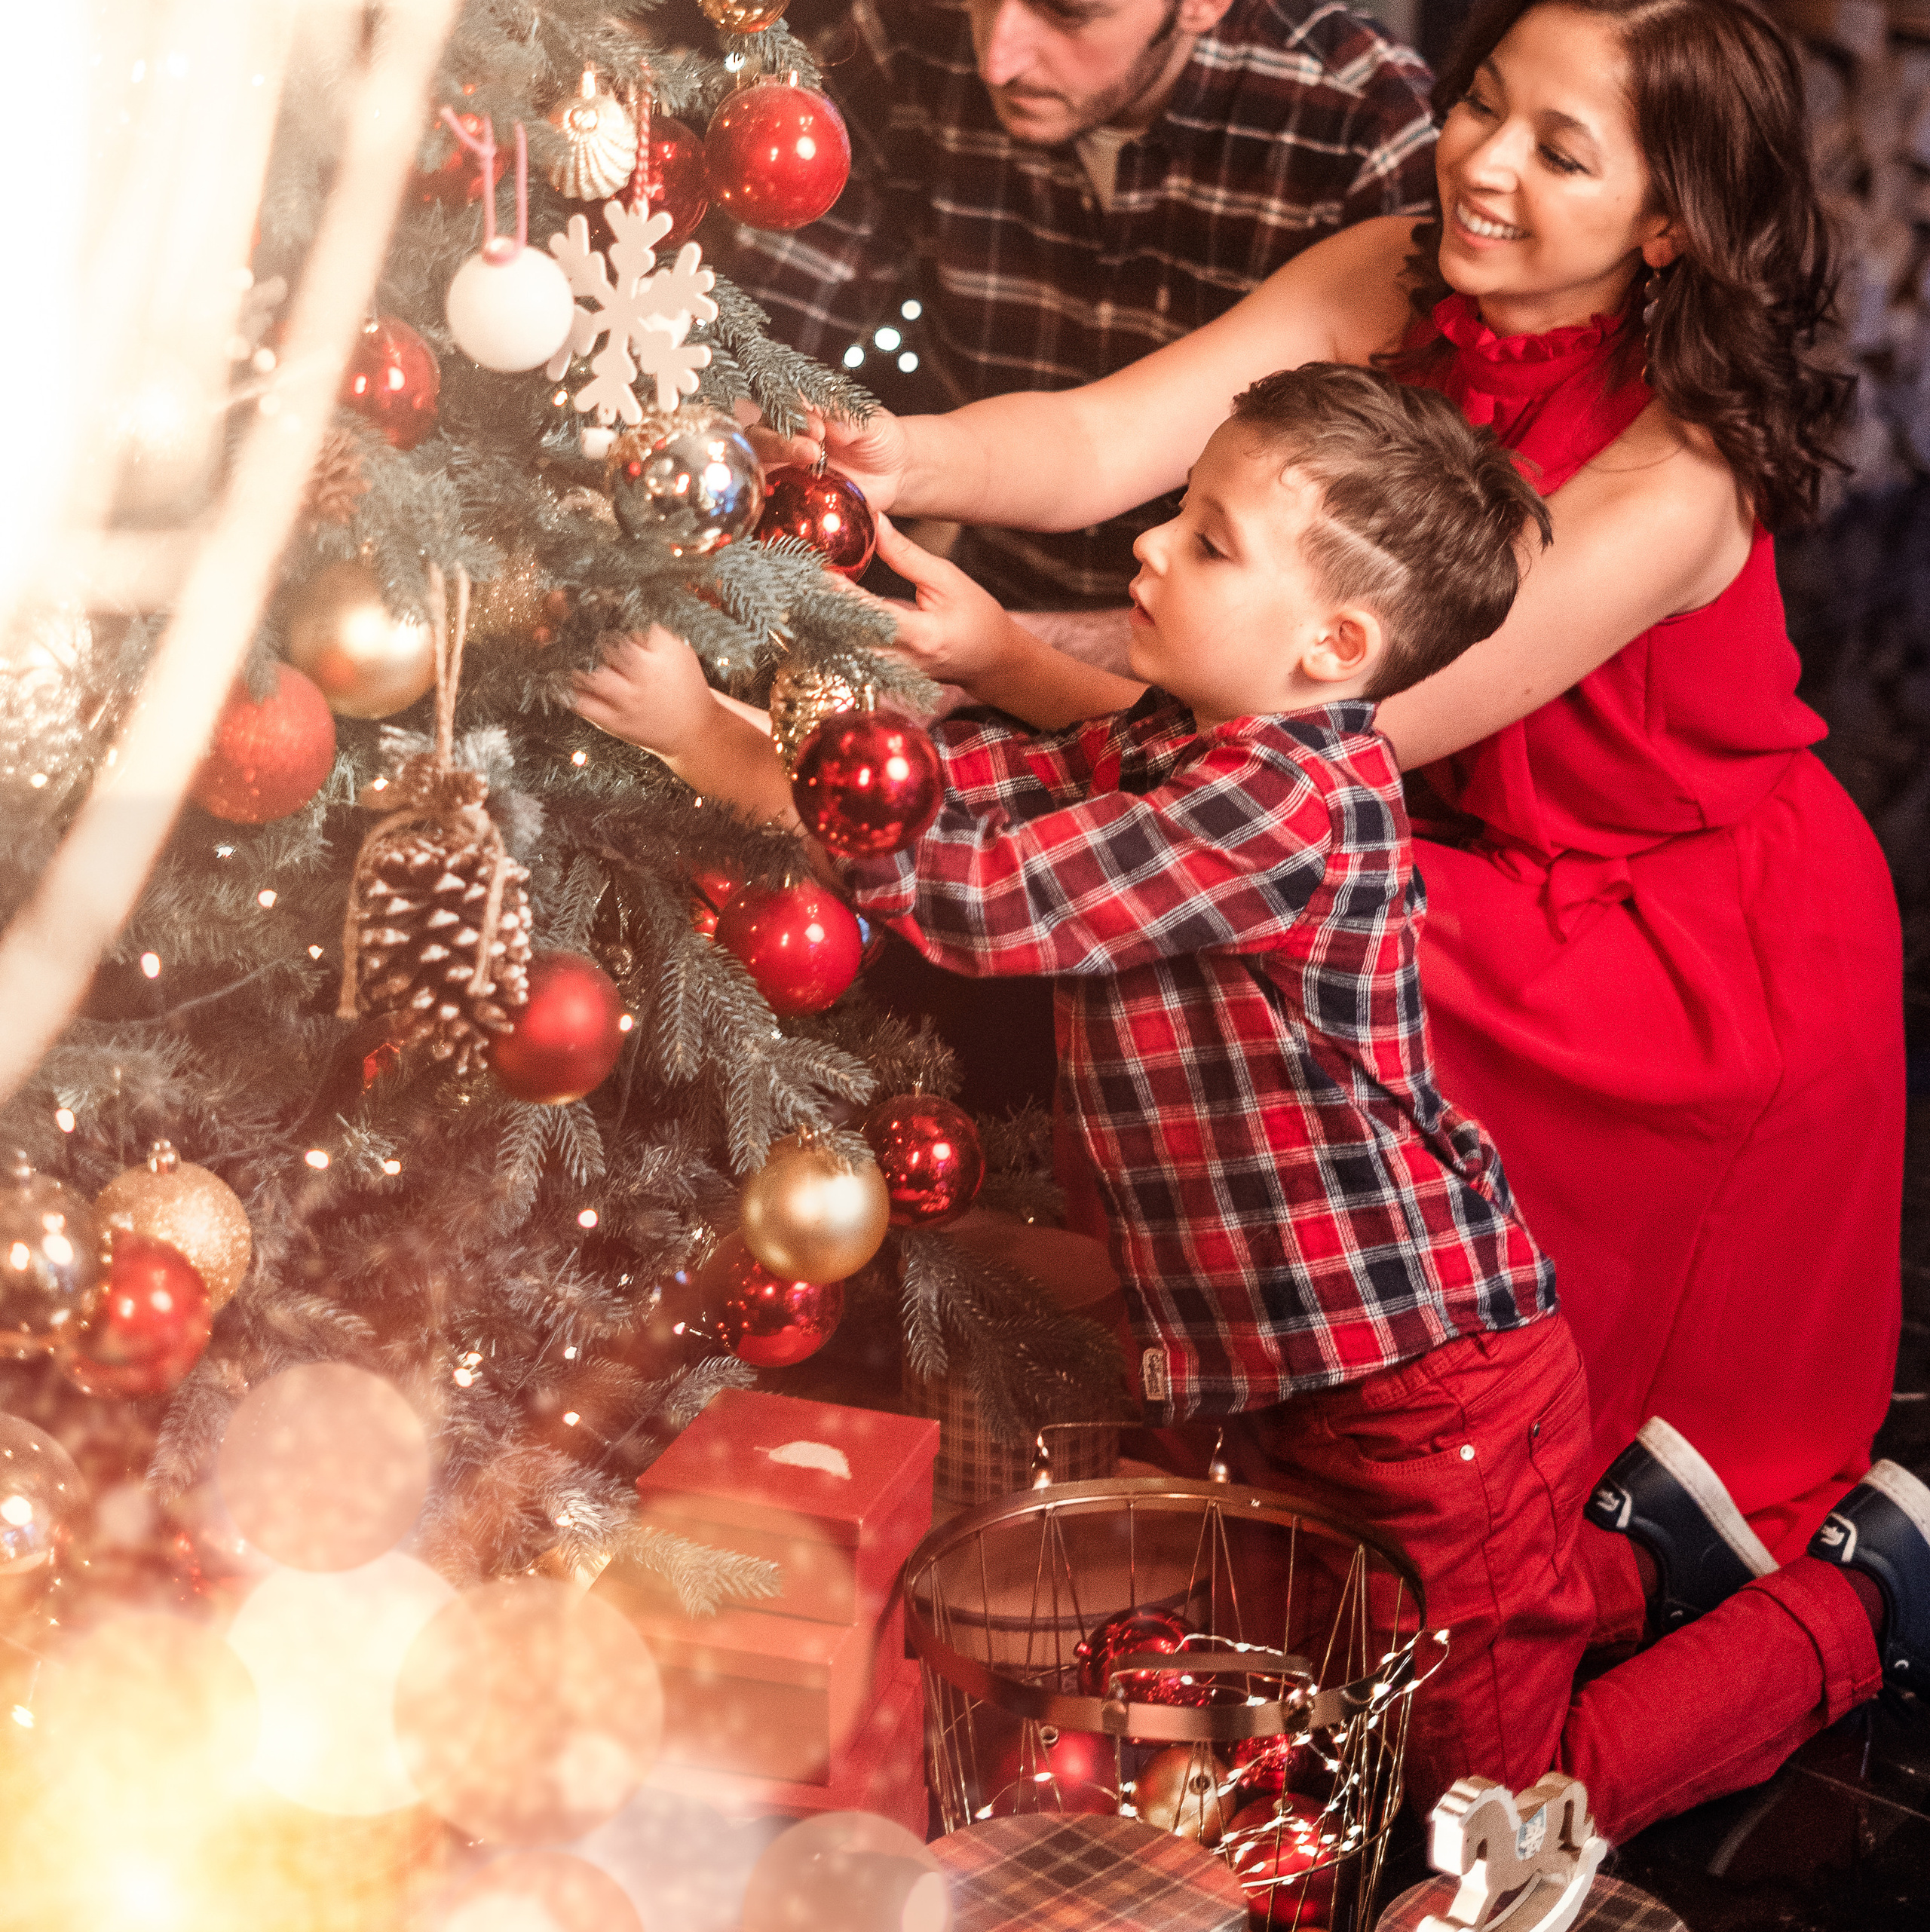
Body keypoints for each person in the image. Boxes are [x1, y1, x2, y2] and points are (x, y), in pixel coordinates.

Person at [571, 363, 1926, 1842]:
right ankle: (1637, 1560)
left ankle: (1861, 1600)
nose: (1148, 545)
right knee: (1340, 1688)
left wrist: (706, 737)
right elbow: (979, 800)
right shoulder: (1175, 746)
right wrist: (889, 684)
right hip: (1296, 1385)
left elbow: (986, 892)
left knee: (1485, 1810)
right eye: (1178, 513)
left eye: (1207, 540)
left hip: (1421, 1394)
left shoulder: (1285, 800)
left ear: (1330, 646)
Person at [764, 0, 1908, 1581]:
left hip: (1666, 929)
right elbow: (1106, 437)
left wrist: (997, 656)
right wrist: (899, 454)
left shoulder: (1672, 483)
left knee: (1229, 931)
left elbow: (1321, 733)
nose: (1481, 164)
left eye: (1555, 151)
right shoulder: (1400, 262)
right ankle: (1225, 1389)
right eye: (1482, 106)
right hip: (1404, 822)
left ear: (1664, 227)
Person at [710, 0, 1439, 613]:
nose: (997, 57)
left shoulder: (1360, 118)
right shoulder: (913, 23)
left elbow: (1383, 556)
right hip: (965, 598)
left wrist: (1037, 661)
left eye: (1066, 12)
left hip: (1229, 671)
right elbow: (769, 331)